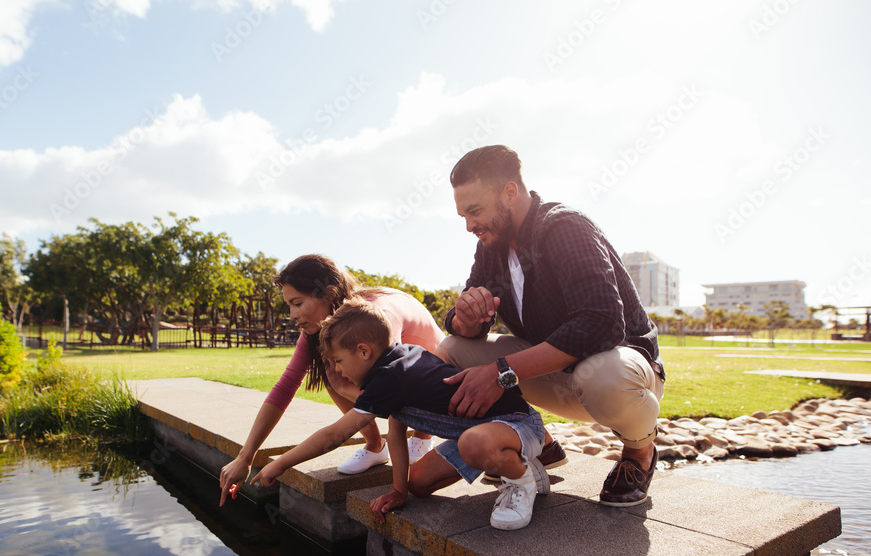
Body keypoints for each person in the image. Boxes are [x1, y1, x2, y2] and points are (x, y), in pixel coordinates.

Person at [437, 145, 666, 507]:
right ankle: (537, 444)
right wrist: (463, 319)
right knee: (450, 350)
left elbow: (601, 324)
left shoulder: (564, 226)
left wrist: (501, 374)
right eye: (463, 215)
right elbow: (468, 322)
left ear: (509, 193)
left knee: (602, 374)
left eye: (475, 211)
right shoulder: (490, 246)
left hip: (619, 374)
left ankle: (641, 451)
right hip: (553, 373)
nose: (469, 225)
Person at [251, 299, 549, 531]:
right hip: (482, 433)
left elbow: (334, 435)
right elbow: (395, 432)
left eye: (339, 360)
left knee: (474, 443)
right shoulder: (396, 363)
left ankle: (520, 482)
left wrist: (280, 464)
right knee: (418, 484)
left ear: (364, 351)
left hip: (518, 425)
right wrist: (398, 490)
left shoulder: (390, 376)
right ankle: (523, 465)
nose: (337, 370)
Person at [219, 254, 444, 506]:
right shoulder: (322, 328)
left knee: (356, 381)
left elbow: (396, 389)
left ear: (329, 293)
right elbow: (285, 386)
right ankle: (374, 446)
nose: (292, 315)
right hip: (397, 385)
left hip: (434, 373)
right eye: (289, 306)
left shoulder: (374, 321)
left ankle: (423, 437)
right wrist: (245, 456)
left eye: (298, 303)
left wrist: (398, 489)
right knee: (330, 368)